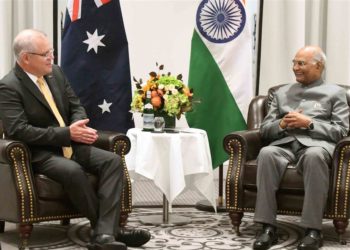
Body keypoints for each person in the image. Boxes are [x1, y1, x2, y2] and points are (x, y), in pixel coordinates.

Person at [0, 29, 150, 250]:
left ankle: (103, 234)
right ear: (26, 58)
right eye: (45, 54)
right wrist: (66, 133)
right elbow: (19, 130)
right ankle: (109, 231)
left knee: (112, 161)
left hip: (71, 144)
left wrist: (77, 126)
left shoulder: (56, 74)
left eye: (51, 51)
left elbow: (76, 106)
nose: (52, 57)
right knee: (71, 170)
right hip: (40, 152)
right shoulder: (9, 86)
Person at [252, 46, 349, 250]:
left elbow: (341, 131)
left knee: (314, 156)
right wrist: (282, 125)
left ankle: (313, 230)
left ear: (318, 66)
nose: (295, 67)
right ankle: (267, 227)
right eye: (294, 63)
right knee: (267, 152)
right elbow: (265, 130)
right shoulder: (281, 93)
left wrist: (309, 124)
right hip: (284, 144)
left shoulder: (336, 94)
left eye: (301, 63)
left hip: (317, 146)